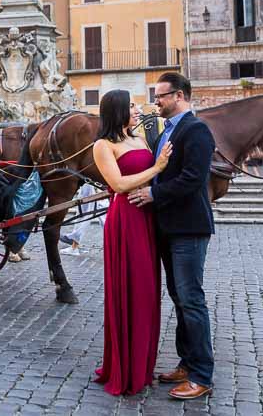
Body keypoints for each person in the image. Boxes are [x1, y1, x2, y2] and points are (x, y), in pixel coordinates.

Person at [91, 90, 170, 396]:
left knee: (148, 292)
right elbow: (118, 184)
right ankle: (126, 367)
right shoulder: (103, 145)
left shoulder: (139, 139)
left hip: (147, 217)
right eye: (132, 106)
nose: (137, 110)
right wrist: (157, 168)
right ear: (118, 110)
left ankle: (143, 363)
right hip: (126, 220)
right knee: (132, 290)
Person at [148, 72, 216, 400]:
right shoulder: (167, 131)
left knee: (191, 300)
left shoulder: (197, 129)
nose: (156, 101)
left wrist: (152, 195)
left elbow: (192, 179)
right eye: (156, 95)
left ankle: (202, 374)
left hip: (189, 228)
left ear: (180, 96)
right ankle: (186, 363)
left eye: (161, 96)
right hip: (169, 227)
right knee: (179, 299)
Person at [61, 182, 106, 256]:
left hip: (90, 180)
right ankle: (74, 240)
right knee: (98, 210)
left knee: (84, 210)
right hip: (93, 181)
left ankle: (74, 245)